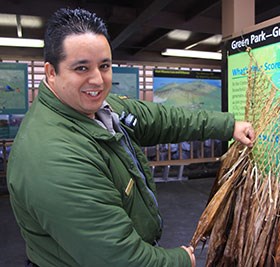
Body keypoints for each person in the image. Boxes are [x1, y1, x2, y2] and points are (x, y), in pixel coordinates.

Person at [7, 7, 255, 267]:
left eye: (104, 66)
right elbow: (118, 258)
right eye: (81, 68)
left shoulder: (99, 109)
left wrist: (229, 126)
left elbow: (162, 120)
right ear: (51, 72)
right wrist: (181, 260)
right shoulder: (54, 157)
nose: (98, 80)